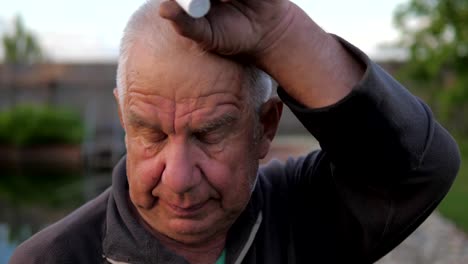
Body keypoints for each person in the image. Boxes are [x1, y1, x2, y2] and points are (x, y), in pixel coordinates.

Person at [10, 0, 460, 263]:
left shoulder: (301, 213)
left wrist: (279, 32)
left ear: (265, 127)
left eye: (208, 134)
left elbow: (417, 170)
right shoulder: (51, 259)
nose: (179, 179)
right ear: (123, 119)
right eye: (151, 133)